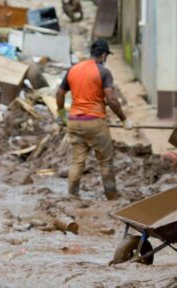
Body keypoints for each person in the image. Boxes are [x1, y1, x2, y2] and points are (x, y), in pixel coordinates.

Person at [56, 39, 133, 200]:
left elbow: (60, 93)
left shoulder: (73, 69)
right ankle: (111, 197)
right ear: (104, 55)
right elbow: (112, 100)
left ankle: (72, 196)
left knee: (77, 161)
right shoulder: (103, 72)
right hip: (94, 121)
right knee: (105, 160)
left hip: (74, 121)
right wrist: (124, 119)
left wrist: (62, 114)